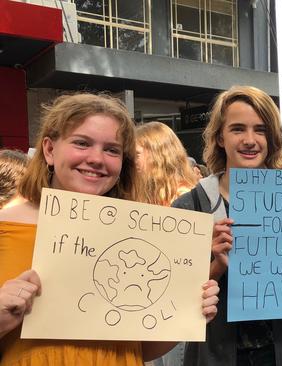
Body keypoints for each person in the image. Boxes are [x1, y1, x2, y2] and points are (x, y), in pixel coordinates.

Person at [0, 93, 219, 366]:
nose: (96, 159)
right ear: (49, 150)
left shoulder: (142, 235)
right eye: (82, 143)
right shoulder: (6, 227)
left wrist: (187, 311)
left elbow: (140, 350)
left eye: (112, 150)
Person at [172, 85, 282, 366]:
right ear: (220, 138)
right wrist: (215, 264)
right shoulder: (191, 207)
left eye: (260, 130)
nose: (250, 140)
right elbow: (170, 302)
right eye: (238, 129)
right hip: (216, 355)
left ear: (272, 139)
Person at [134, 122, 199, 366]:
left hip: (176, 313)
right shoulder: (149, 198)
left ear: (158, 154)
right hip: (151, 310)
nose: (131, 162)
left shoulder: (187, 200)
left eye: (137, 155)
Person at [135, 121, 198, 206]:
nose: (131, 160)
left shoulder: (185, 197)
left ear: (157, 156)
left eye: (137, 154)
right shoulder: (141, 193)